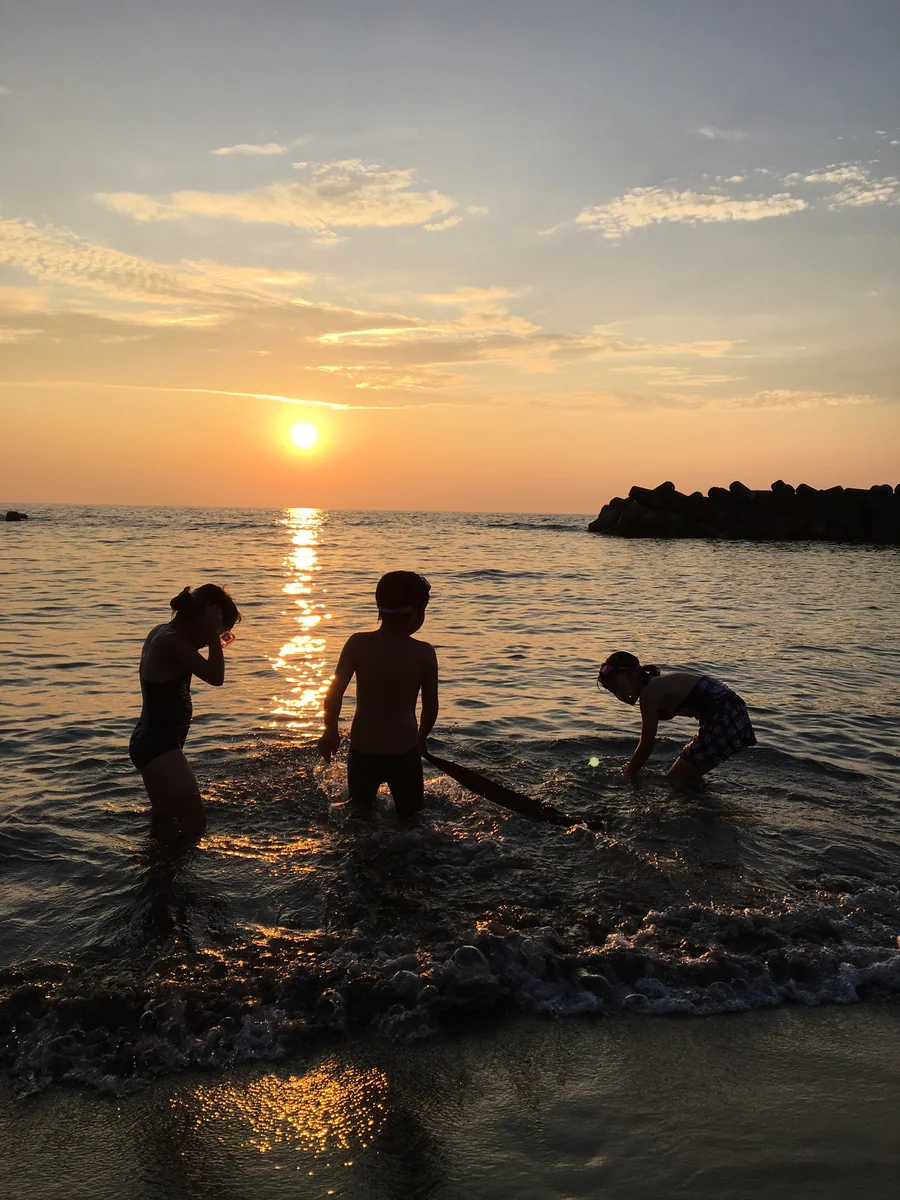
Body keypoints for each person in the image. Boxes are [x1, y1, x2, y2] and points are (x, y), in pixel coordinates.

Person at [318, 571, 438, 818]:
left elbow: (334, 693)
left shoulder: (357, 644)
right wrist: (422, 739)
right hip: (404, 750)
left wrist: (330, 730)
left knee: (359, 813)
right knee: (411, 816)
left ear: (379, 608)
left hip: (364, 749)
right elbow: (431, 707)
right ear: (416, 614)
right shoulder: (424, 653)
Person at [129, 585, 241, 837]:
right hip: (160, 746)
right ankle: (179, 874)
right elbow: (215, 676)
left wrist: (211, 631)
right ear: (203, 618)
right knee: (195, 823)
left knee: (165, 821)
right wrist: (212, 632)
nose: (207, 643)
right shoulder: (170, 641)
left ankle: (157, 871)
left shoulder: (163, 633)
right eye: (217, 630)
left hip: (152, 742)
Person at [597, 651, 755, 785]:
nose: (619, 695)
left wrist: (629, 772)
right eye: (613, 692)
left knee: (675, 780)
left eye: (618, 687)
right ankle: (701, 806)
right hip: (731, 713)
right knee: (687, 777)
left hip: (726, 716)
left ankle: (700, 815)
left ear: (633, 673)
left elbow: (647, 743)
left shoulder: (649, 693)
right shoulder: (653, 687)